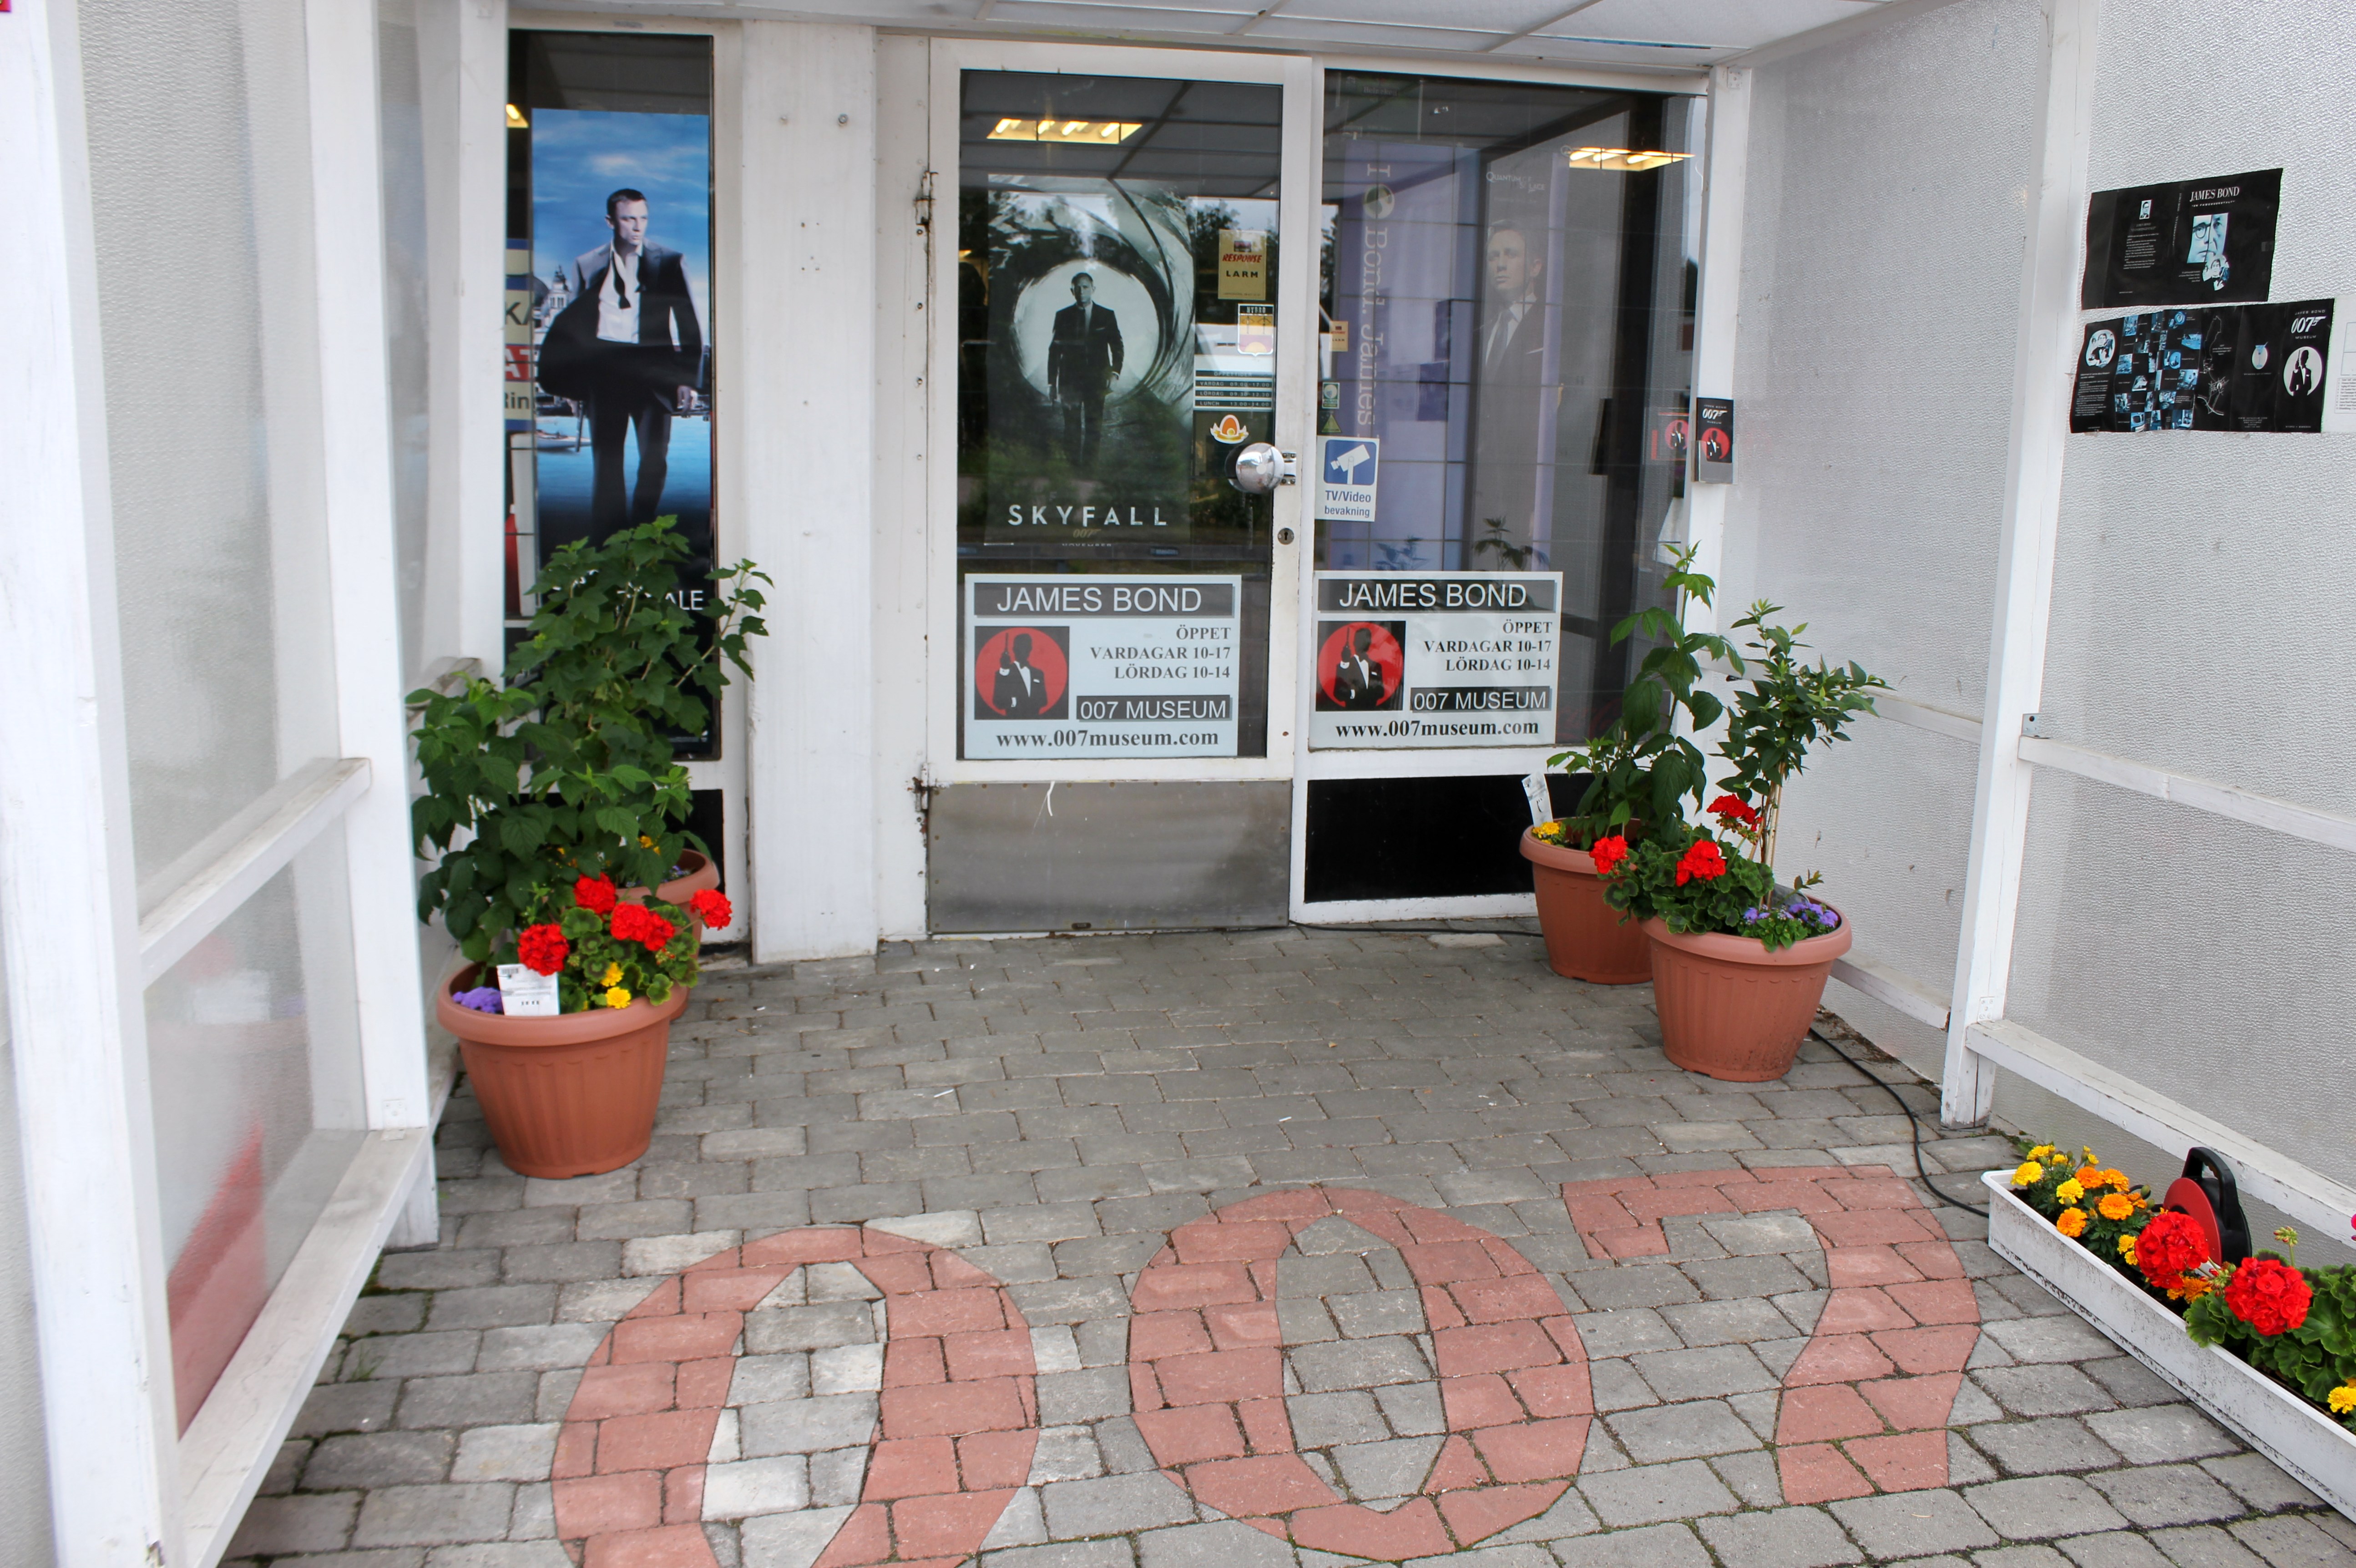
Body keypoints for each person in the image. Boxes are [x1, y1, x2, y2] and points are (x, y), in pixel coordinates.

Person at [561, 188, 704, 539]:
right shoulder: (586, 264)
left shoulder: (670, 261)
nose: (638, 227)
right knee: (606, 462)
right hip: (604, 372)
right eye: (629, 219)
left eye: (643, 218)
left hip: (655, 373)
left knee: (654, 460)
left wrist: (688, 379)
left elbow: (688, 323)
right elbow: (575, 330)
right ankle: (608, 540)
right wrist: (572, 385)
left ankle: (641, 531)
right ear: (611, 221)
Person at [1472, 224, 1549, 556]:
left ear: (1535, 267)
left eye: (1511, 255)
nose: (1500, 265)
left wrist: (1537, 501)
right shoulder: (1484, 330)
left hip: (1522, 489)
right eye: (1493, 257)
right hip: (1482, 489)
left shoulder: (1550, 328)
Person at [1047, 272, 1123, 469]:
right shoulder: (1062, 316)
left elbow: (1117, 346)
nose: (1082, 292)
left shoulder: (1107, 315)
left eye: (1086, 287)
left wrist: (1115, 373)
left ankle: (1089, 470)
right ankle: (1072, 470)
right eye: (1078, 288)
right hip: (1070, 381)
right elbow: (1054, 351)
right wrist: (1052, 383)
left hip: (1097, 380)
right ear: (1072, 291)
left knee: (1094, 425)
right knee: (1071, 426)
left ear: (1093, 289)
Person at [992, 632, 1052, 718]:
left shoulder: (1038, 674)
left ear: (1030, 649)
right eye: (1020, 647)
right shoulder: (1004, 673)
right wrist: (1005, 670)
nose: (1023, 651)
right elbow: (999, 702)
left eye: (1026, 647)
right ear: (1014, 649)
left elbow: (1044, 701)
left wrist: (1017, 700)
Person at [1332, 626, 1387, 709]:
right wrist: (1345, 662)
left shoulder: (1376, 666)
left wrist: (1365, 693)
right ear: (1354, 643)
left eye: (1365, 640)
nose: (1363, 644)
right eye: (1360, 640)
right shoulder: (1346, 665)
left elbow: (1381, 692)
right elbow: (1339, 693)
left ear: (1369, 643)